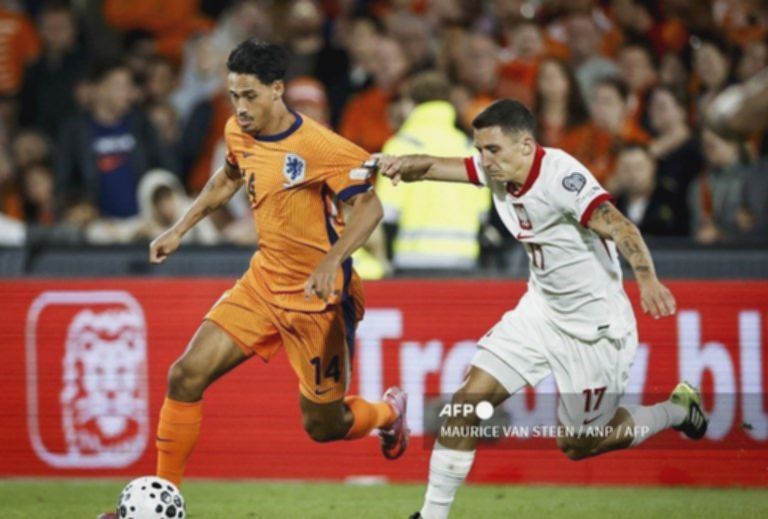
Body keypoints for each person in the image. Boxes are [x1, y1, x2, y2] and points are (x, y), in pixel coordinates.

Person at [373, 99, 709, 519]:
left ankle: (675, 410)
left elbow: (620, 226)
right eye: (480, 150)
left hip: (594, 329)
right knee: (465, 404)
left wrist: (647, 279)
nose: (484, 160)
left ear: (527, 146)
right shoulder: (498, 170)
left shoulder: (561, 178)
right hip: (541, 312)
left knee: (579, 444)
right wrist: (405, 164)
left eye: (493, 149)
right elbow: (437, 166)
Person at [143, 39, 408, 493]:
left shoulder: (321, 146)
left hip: (319, 302)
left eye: (250, 95)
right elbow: (228, 177)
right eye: (234, 96)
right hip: (263, 285)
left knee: (323, 425)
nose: (240, 107)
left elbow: (370, 208)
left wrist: (331, 261)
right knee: (184, 376)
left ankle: (388, 414)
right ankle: (162, 501)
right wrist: (179, 228)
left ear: (277, 89)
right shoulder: (237, 132)